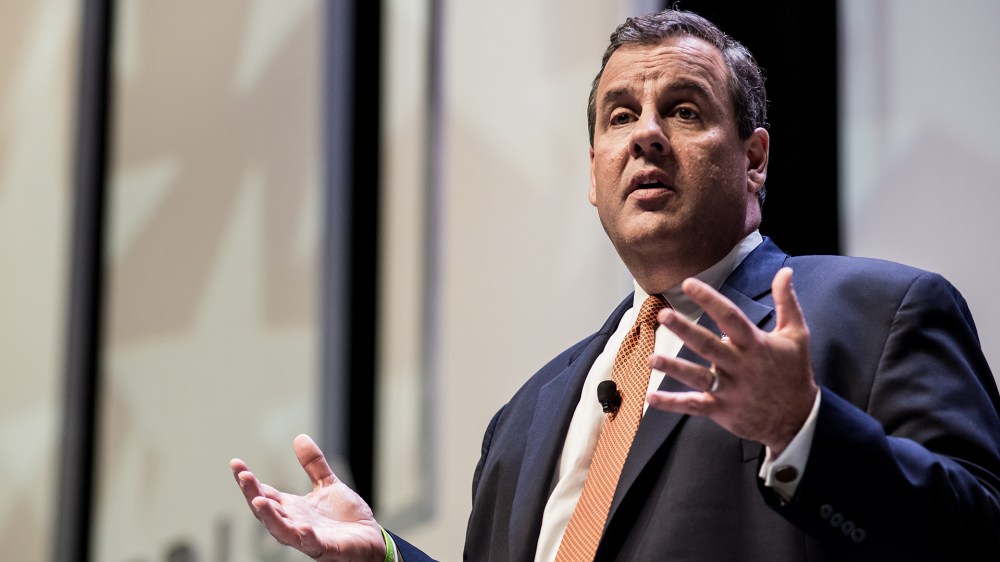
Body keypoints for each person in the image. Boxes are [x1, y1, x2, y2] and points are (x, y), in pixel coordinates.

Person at [230, 8, 1000, 561]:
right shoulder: (525, 417)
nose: (647, 134)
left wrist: (801, 429)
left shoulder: (880, 313)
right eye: (619, 115)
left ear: (754, 158)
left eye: (685, 110)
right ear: (593, 177)